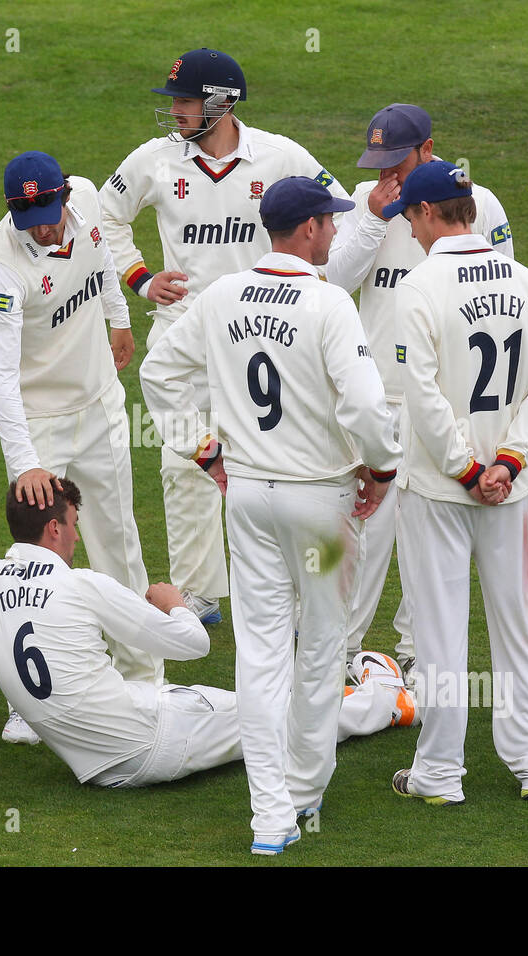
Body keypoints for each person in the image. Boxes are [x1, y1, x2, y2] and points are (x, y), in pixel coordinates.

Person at [140, 176, 402, 854]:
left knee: (259, 652)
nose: (337, 231)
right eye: (331, 222)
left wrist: (205, 452)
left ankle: (268, 817)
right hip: (321, 504)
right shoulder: (329, 302)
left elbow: (158, 374)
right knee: (320, 641)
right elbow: (369, 408)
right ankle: (304, 786)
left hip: (249, 497)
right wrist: (381, 469)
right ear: (309, 229)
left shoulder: (221, 294)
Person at [0, 480, 414, 805]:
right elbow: (193, 643)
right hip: (154, 744)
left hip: (95, 764)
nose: (78, 535)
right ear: (56, 530)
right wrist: (171, 597)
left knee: (226, 706)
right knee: (280, 716)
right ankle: (388, 699)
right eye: (74, 523)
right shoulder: (81, 584)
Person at [99, 48, 350, 626]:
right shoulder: (155, 160)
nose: (176, 111)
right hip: (184, 327)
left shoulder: (280, 155)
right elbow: (102, 216)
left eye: (185, 101)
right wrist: (140, 277)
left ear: (221, 102)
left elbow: (339, 209)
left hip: (262, 329)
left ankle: (290, 584)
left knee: (275, 455)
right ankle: (198, 592)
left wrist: (309, 285)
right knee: (183, 461)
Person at [385, 161, 528, 805]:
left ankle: (439, 774)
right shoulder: (526, 280)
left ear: (431, 214)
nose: (406, 221)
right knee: (520, 623)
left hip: (439, 488)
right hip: (511, 489)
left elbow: (421, 393)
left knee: (439, 631)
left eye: (409, 212)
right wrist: (508, 462)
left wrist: (465, 467)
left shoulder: (420, 285)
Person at [0, 150, 160, 745]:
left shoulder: (84, 197)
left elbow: (102, 260)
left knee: (118, 539)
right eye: (31, 220)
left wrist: (119, 317)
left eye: (51, 213)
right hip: (40, 424)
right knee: (41, 560)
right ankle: (30, 700)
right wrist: (24, 462)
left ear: (64, 195)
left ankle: (142, 676)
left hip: (100, 403)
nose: (45, 228)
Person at [326, 104, 516, 677]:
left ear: (428, 149)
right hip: (376, 393)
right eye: (378, 163)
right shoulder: (367, 202)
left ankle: (413, 648)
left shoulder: (478, 206)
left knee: (429, 530)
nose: (389, 176)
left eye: (399, 162)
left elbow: (501, 298)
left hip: (444, 398)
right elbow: (332, 284)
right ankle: (339, 646)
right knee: (362, 523)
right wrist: (375, 220)